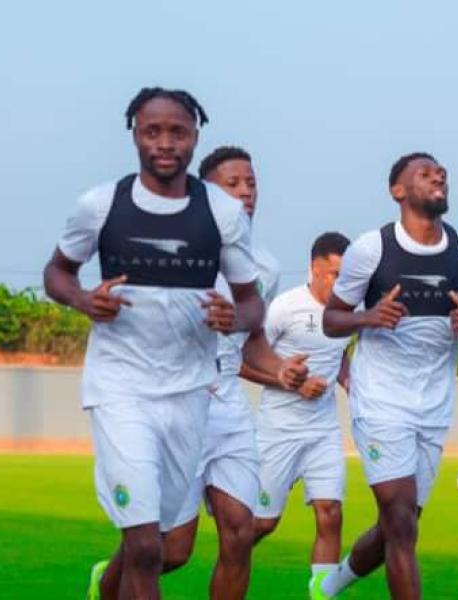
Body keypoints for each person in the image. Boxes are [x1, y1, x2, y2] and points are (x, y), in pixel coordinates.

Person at [43, 88, 264, 600]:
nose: (165, 143)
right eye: (153, 131)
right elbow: (56, 272)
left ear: (194, 137)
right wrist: (81, 300)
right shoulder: (100, 205)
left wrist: (233, 318)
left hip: (190, 395)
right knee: (143, 545)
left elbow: (253, 305)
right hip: (120, 390)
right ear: (136, 135)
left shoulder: (222, 213)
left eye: (178, 132)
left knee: (166, 546)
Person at [316, 153, 458, 600]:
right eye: (424, 172)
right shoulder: (372, 249)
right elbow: (331, 320)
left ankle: (331, 583)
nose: (438, 175)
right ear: (397, 191)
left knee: (399, 525)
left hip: (434, 406)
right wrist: (369, 317)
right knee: (400, 521)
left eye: (441, 172)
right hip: (380, 400)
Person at [159, 146, 307, 600]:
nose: (246, 192)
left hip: (228, 407)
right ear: (207, 192)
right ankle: (108, 580)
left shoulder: (265, 265)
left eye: (252, 182)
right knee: (170, 552)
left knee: (242, 533)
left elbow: (254, 340)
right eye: (233, 183)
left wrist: (281, 369)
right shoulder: (179, 249)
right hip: (175, 401)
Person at [249, 232, 352, 599]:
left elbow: (338, 355)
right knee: (262, 524)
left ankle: (322, 594)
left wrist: (351, 383)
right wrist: (291, 382)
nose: (342, 284)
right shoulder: (284, 308)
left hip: (323, 430)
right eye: (335, 274)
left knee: (330, 512)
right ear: (314, 269)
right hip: (278, 431)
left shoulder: (348, 312)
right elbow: (244, 360)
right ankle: (231, 566)